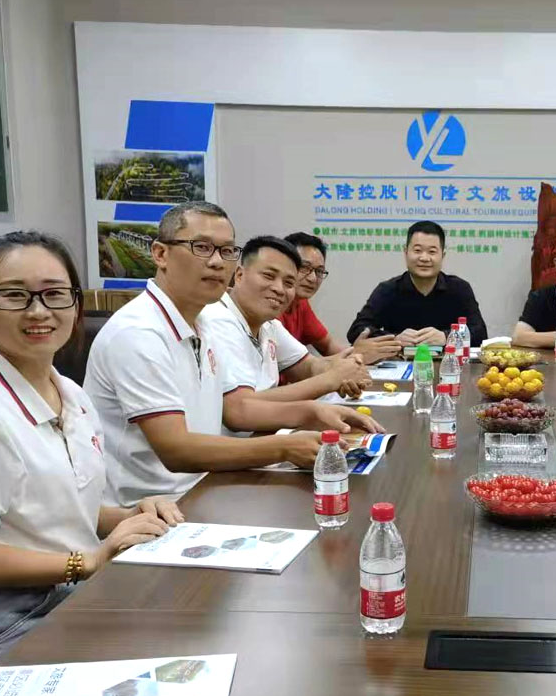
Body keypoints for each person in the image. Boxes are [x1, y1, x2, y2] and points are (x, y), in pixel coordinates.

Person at [0, 232, 181, 690]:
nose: (39, 311)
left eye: (55, 294)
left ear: (76, 304)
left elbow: (51, 508)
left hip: (70, 590)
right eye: (15, 295)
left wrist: (131, 516)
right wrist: (86, 562)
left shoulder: (70, 394)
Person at [84, 202, 376, 507]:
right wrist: (284, 447)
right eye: (201, 247)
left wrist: (312, 413)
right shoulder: (139, 331)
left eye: (226, 251)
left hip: (208, 485)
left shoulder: (203, 321)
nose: (216, 262)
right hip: (151, 510)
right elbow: (176, 449)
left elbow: (235, 409)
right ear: (160, 254)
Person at [198, 235, 374, 415]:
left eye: (288, 283)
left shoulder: (269, 324)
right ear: (239, 275)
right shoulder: (217, 319)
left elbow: (308, 367)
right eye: (269, 276)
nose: (279, 289)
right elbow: (241, 408)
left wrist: (342, 368)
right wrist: (331, 379)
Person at [346, 221, 488, 348]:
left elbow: (480, 333)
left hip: (448, 365)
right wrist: (395, 338)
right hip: (399, 364)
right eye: (418, 250)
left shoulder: (459, 289)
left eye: (432, 252)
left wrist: (447, 337)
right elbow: (356, 330)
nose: (424, 258)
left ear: (442, 255)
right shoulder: (388, 290)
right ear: (406, 252)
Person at [281, 231, 401, 365]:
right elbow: (297, 367)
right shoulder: (271, 309)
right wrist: (356, 354)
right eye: (304, 267)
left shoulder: (301, 303)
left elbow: (328, 345)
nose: (312, 278)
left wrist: (367, 352)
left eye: (319, 271)